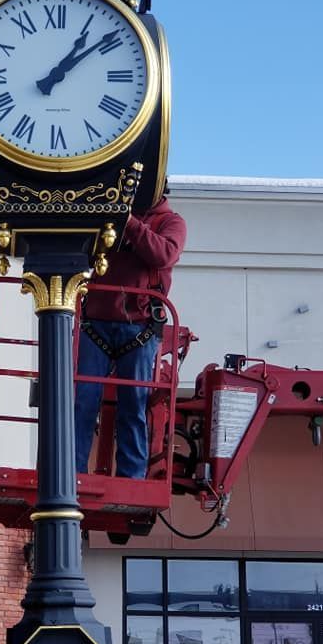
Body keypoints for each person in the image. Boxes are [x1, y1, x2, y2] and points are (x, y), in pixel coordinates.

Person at [74, 191, 187, 478]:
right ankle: (70, 471)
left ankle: (131, 478)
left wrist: (129, 224)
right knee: (82, 402)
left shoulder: (171, 222)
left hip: (138, 327)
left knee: (133, 405)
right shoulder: (110, 218)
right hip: (97, 323)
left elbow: (164, 255)